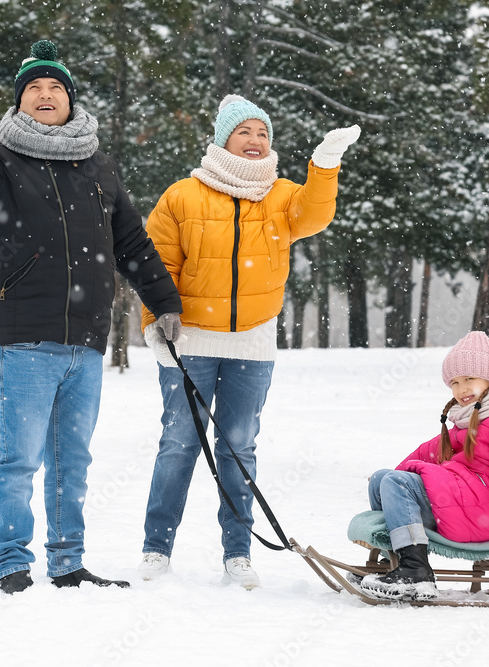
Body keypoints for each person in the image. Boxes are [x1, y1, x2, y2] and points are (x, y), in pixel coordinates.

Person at [0, 40, 183, 594]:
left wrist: (163, 302)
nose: (45, 96)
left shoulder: (98, 166)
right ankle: (12, 564)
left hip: (86, 342)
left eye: (55, 89)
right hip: (23, 338)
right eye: (34, 89)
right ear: (20, 101)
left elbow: (133, 244)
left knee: (73, 461)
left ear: (70, 101)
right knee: (19, 460)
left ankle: (68, 562)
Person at [136, 94, 361, 589]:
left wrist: (324, 166)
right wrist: (156, 319)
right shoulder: (182, 196)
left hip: (253, 343)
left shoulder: (281, 196)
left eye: (263, 133)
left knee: (239, 445)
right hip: (188, 340)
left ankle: (238, 554)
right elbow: (156, 264)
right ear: (222, 139)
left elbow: (315, 215)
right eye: (245, 132)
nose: (256, 141)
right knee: (178, 445)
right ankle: (156, 549)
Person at [359, 331, 489, 600]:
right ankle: (398, 562)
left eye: (469, 379)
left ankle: (415, 571)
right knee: (382, 479)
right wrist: (389, 484)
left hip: (487, 510)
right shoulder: (473, 417)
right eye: (454, 382)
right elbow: (427, 452)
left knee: (395, 482)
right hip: (467, 502)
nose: (461, 389)